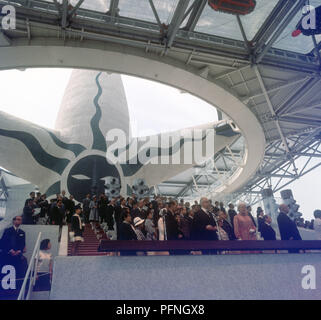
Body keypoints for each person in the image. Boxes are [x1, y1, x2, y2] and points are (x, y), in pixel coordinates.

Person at [0, 216, 28, 290]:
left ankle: (15, 289)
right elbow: (2, 243)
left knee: (17, 273)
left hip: (17, 256)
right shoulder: (7, 231)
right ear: (14, 221)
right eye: (18, 220)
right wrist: (9, 250)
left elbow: (23, 245)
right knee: (6, 273)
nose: (19, 221)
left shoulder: (22, 232)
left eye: (20, 220)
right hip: (7, 256)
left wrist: (20, 250)